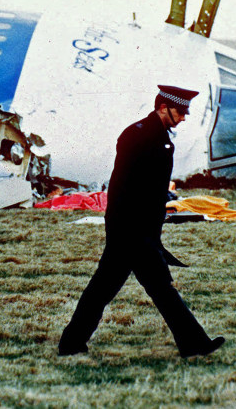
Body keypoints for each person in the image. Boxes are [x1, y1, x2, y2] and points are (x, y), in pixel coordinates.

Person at [58, 85, 225, 358]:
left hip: (139, 230)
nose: (184, 117)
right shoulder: (139, 136)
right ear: (163, 108)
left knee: (110, 289)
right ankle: (194, 344)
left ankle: (72, 343)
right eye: (180, 111)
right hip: (132, 230)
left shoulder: (156, 136)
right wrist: (139, 233)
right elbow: (125, 188)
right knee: (155, 288)